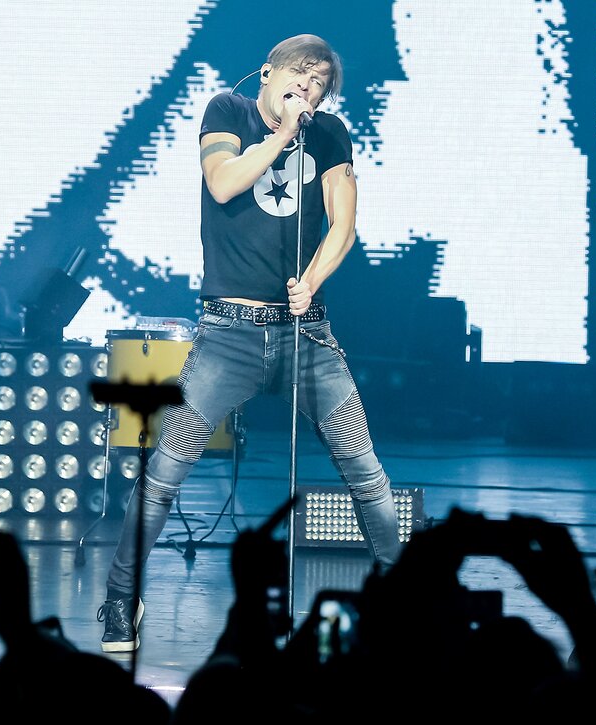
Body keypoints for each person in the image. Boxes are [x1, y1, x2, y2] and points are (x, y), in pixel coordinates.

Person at [99, 33, 403, 653]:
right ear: (269, 73)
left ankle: (405, 603)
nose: (308, 89)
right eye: (299, 75)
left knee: (365, 470)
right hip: (227, 335)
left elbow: (344, 224)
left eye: (319, 84)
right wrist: (282, 136)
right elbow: (222, 182)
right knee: (164, 472)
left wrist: (311, 279)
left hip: (305, 335)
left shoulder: (330, 134)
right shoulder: (227, 111)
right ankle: (121, 600)